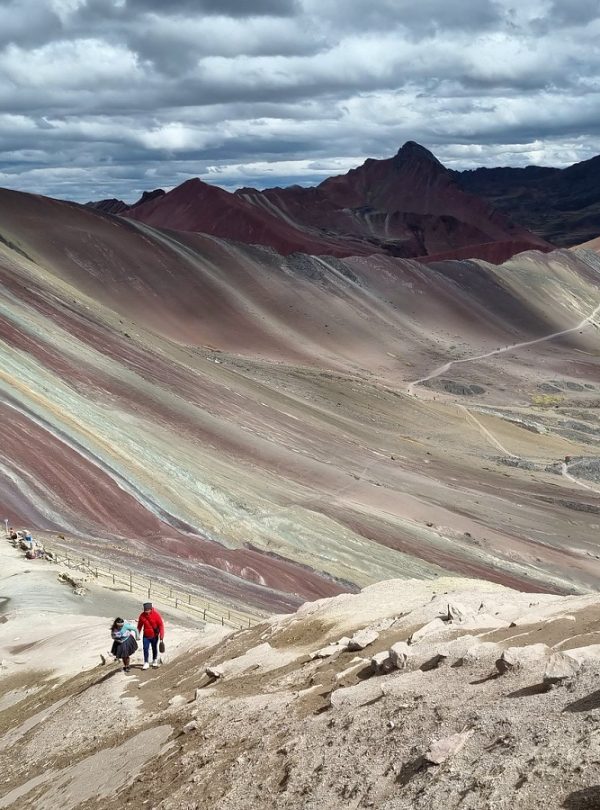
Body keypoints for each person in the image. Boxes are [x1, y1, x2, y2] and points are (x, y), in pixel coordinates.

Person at [137, 602, 165, 670]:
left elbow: (161, 626)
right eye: (145, 610)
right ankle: (146, 662)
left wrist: (161, 636)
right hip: (146, 635)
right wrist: (137, 634)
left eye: (147, 610)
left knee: (154, 648)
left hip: (154, 636)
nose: (146, 611)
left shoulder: (156, 615)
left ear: (150, 609)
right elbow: (139, 625)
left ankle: (154, 660)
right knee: (145, 648)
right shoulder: (142, 615)